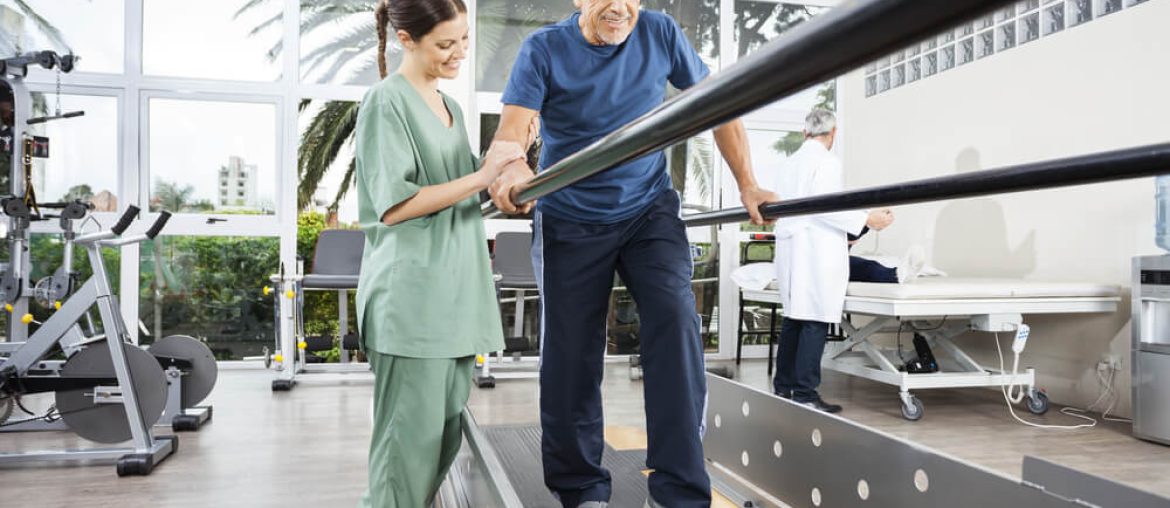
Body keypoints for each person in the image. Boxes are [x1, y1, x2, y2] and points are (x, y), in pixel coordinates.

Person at [487, 1, 777, 506]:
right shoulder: (545, 49)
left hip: (647, 208)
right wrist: (512, 170)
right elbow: (512, 133)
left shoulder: (661, 33)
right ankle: (582, 488)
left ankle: (678, 490)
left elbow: (718, 104)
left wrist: (748, 184)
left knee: (675, 318)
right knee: (570, 356)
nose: (620, 7)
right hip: (569, 215)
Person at [353, 1, 524, 506]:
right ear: (407, 40)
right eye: (445, 44)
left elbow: (468, 191)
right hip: (411, 303)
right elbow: (395, 205)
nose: (460, 53)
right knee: (403, 458)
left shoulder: (450, 107)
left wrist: (505, 169)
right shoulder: (387, 102)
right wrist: (482, 175)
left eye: (465, 39)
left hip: (454, 298)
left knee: (441, 442)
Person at [771, 108, 892, 413]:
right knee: (814, 317)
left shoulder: (789, 163)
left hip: (792, 245)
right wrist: (868, 219)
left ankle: (783, 387)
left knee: (794, 317)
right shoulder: (826, 161)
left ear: (804, 133)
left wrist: (854, 228)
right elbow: (827, 205)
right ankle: (805, 393)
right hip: (813, 249)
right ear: (833, 134)